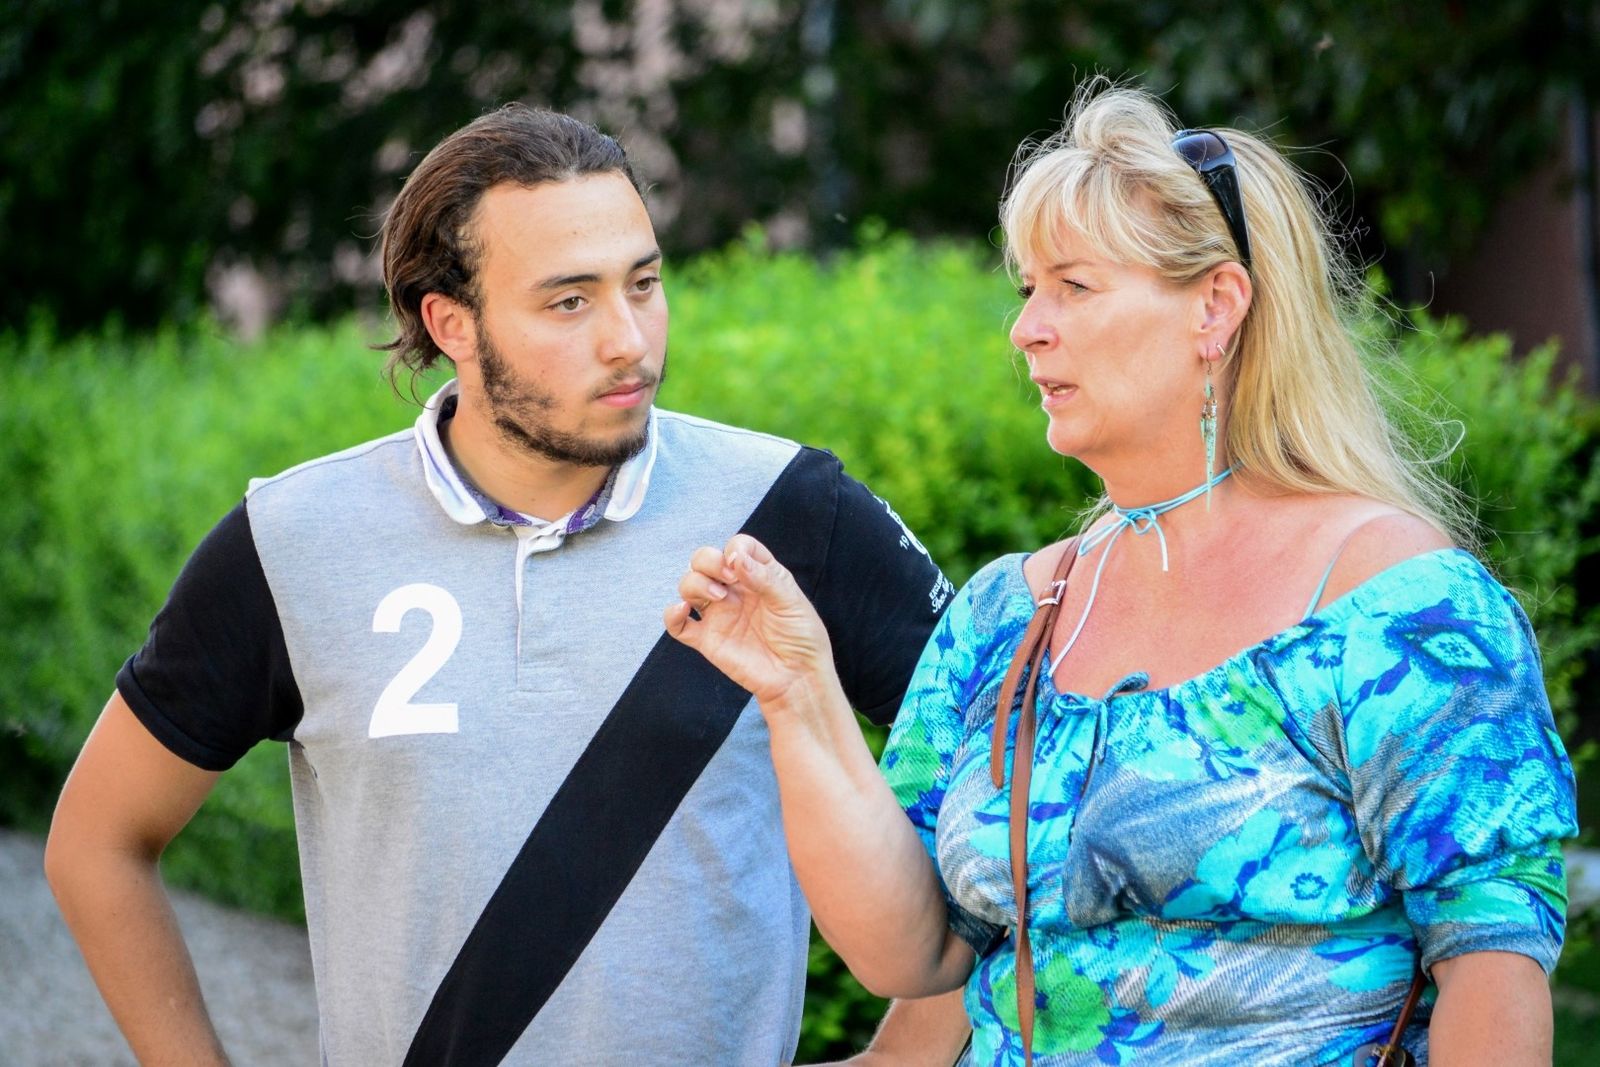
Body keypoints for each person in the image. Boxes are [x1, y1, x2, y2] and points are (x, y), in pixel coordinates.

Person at [666, 83, 1579, 1066]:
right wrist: (798, 689)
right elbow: (914, 958)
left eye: (1075, 286)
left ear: (1215, 307)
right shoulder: (1005, 617)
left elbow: (1491, 971)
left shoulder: (1398, 610)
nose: (1026, 327)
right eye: (1029, 288)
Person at [44, 104, 974, 1066]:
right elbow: (97, 842)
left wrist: (904, 1055)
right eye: (569, 302)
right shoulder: (293, 540)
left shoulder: (789, 512)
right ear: (451, 323)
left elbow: (1016, 781)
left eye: (644, 284)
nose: (629, 340)